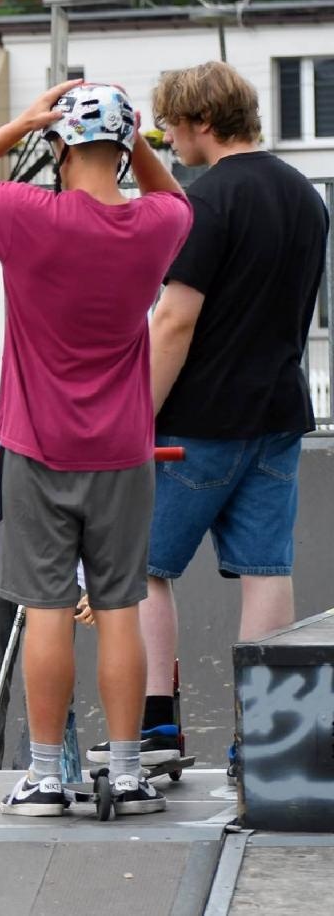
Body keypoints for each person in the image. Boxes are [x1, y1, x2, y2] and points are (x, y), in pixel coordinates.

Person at [0, 80, 191, 816]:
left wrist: (20, 122)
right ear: (124, 144)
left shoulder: (26, 217)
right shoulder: (154, 226)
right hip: (123, 451)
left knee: (45, 611)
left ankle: (47, 777)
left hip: (37, 449)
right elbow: (178, 200)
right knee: (118, 609)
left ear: (57, 145)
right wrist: (134, 140)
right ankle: (132, 772)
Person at [91, 61, 328, 776]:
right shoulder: (306, 197)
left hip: (195, 424)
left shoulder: (206, 202)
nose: (167, 143)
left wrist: (136, 417)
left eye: (170, 128)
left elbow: (174, 322)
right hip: (279, 412)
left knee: (143, 570)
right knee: (266, 571)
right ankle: (265, 742)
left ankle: (157, 732)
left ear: (199, 122)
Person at [0, 414, 95, 770]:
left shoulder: (83, 429)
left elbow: (100, 515)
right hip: (2, 570)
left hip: (60, 578)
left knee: (52, 678)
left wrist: (93, 585)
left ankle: (37, 769)